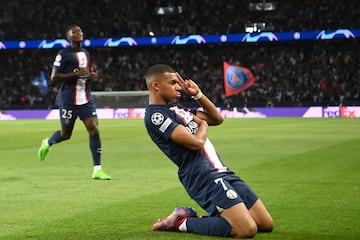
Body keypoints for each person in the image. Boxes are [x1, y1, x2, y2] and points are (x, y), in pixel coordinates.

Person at [144, 64, 273, 238]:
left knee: (265, 224)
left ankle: (215, 219)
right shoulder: (156, 116)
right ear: (156, 86)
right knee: (246, 230)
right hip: (202, 175)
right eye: (173, 82)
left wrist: (198, 94)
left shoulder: (178, 109)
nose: (179, 87)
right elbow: (196, 142)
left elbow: (217, 118)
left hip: (223, 172)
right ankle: (181, 222)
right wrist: (203, 124)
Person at [38, 24, 111, 180]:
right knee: (65, 134)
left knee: (94, 129)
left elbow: (86, 76)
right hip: (68, 100)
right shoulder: (63, 54)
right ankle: (48, 142)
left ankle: (97, 169)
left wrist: (91, 77)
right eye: (75, 32)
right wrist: (75, 73)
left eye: (80, 31)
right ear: (69, 37)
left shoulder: (86, 54)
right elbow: (54, 78)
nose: (78, 33)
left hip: (85, 99)